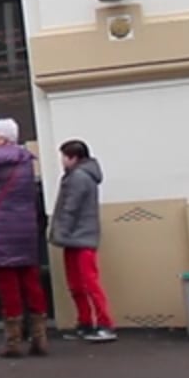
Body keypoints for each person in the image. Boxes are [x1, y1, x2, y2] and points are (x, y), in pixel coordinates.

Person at [0, 118, 47, 358]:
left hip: (3, 229)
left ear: (2, 139)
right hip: (27, 227)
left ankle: (13, 341)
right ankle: (39, 338)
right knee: (31, 281)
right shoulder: (27, 162)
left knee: (8, 284)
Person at [51, 139, 116, 343]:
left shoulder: (77, 177)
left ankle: (104, 324)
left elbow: (71, 208)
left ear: (73, 157)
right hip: (79, 237)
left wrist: (60, 232)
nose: (61, 161)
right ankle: (88, 323)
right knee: (80, 283)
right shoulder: (81, 175)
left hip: (78, 237)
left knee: (86, 283)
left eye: (63, 156)